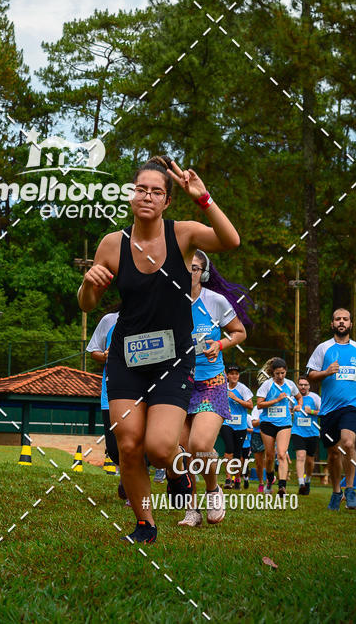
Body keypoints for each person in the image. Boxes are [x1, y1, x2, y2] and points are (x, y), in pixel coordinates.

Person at [78, 155, 240, 544]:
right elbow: (86, 304)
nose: (147, 196)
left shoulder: (183, 234)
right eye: (141, 189)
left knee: (161, 448)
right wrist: (89, 283)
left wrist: (203, 199)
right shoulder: (112, 244)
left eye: (156, 191)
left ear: (167, 200)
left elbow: (231, 241)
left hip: (173, 359)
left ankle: (186, 475)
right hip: (127, 358)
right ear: (131, 196)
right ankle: (145, 524)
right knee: (128, 446)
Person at [177, 253, 250, 526]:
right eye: (184, 268)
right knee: (183, 450)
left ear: (203, 273)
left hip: (211, 384)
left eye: (194, 268)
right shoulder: (170, 302)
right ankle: (192, 509)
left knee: (200, 444)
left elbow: (239, 332)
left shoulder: (215, 301)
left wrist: (219, 346)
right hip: (180, 384)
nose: (189, 273)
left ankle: (213, 489)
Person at [306, 308, 356, 511]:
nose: (341, 322)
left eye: (345, 319)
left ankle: (349, 489)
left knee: (348, 443)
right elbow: (310, 375)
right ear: (332, 324)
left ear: (350, 324)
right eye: (337, 319)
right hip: (329, 409)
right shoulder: (323, 348)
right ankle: (336, 492)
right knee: (332, 453)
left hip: (353, 405)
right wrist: (326, 371)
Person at [87, 309, 124, 497]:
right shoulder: (110, 320)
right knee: (113, 448)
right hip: (110, 392)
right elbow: (94, 350)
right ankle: (126, 474)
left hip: (141, 393)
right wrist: (104, 356)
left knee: (135, 443)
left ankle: (131, 483)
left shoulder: (152, 316)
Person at [256, 358, 301, 497]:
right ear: (272, 373)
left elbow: (299, 397)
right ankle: (270, 480)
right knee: (269, 456)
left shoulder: (291, 384)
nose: (280, 376)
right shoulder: (267, 385)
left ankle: (282, 487)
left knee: (281, 454)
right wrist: (277, 400)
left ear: (286, 371)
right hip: (267, 423)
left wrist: (298, 405)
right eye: (277, 374)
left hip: (284, 423)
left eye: (282, 373)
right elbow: (259, 405)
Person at [220, 364, 254, 490]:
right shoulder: (223, 387)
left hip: (240, 426)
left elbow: (250, 405)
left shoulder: (243, 389)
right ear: (227, 376)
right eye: (232, 373)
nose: (234, 375)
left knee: (238, 454)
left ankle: (237, 478)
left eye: (236, 373)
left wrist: (236, 399)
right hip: (227, 423)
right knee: (229, 448)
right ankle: (228, 479)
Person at [290, 375, 321, 495]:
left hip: (312, 433)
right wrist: (293, 411)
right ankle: (301, 483)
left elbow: (324, 412)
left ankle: (307, 480)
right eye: (301, 384)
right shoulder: (293, 398)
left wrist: (311, 411)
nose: (303, 387)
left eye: (305, 385)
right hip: (297, 432)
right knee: (300, 456)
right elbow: (287, 412)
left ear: (309, 386)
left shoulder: (315, 398)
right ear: (297, 385)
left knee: (309, 461)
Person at [250, 406, 266, 492]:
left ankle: (269, 482)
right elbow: (254, 424)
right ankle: (261, 483)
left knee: (269, 459)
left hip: (269, 433)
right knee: (259, 462)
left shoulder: (274, 405)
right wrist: (263, 419)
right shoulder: (257, 408)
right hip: (257, 435)